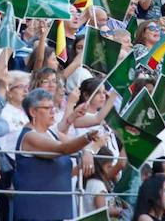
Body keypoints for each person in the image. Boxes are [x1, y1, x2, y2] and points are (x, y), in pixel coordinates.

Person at [13, 87, 102, 221]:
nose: (53, 111)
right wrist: (87, 138)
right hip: (36, 213)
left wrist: (87, 152)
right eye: (47, 108)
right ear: (33, 112)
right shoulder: (29, 137)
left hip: (59, 211)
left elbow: (61, 171)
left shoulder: (52, 133)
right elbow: (63, 149)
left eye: (53, 107)